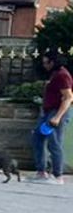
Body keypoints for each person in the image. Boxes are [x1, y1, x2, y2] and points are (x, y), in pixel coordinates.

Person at [34, 47, 72, 182]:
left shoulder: (62, 75)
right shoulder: (55, 74)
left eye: (46, 62)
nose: (44, 65)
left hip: (57, 111)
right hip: (48, 111)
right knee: (38, 137)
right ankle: (41, 172)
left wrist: (57, 117)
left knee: (54, 143)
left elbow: (68, 97)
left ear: (53, 62)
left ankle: (58, 175)